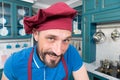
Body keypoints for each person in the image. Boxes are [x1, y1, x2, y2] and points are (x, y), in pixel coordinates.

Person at [2, 2, 89, 80]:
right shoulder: (14, 63)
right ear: (36, 34)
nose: (58, 52)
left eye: (65, 40)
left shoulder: (71, 53)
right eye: (51, 38)